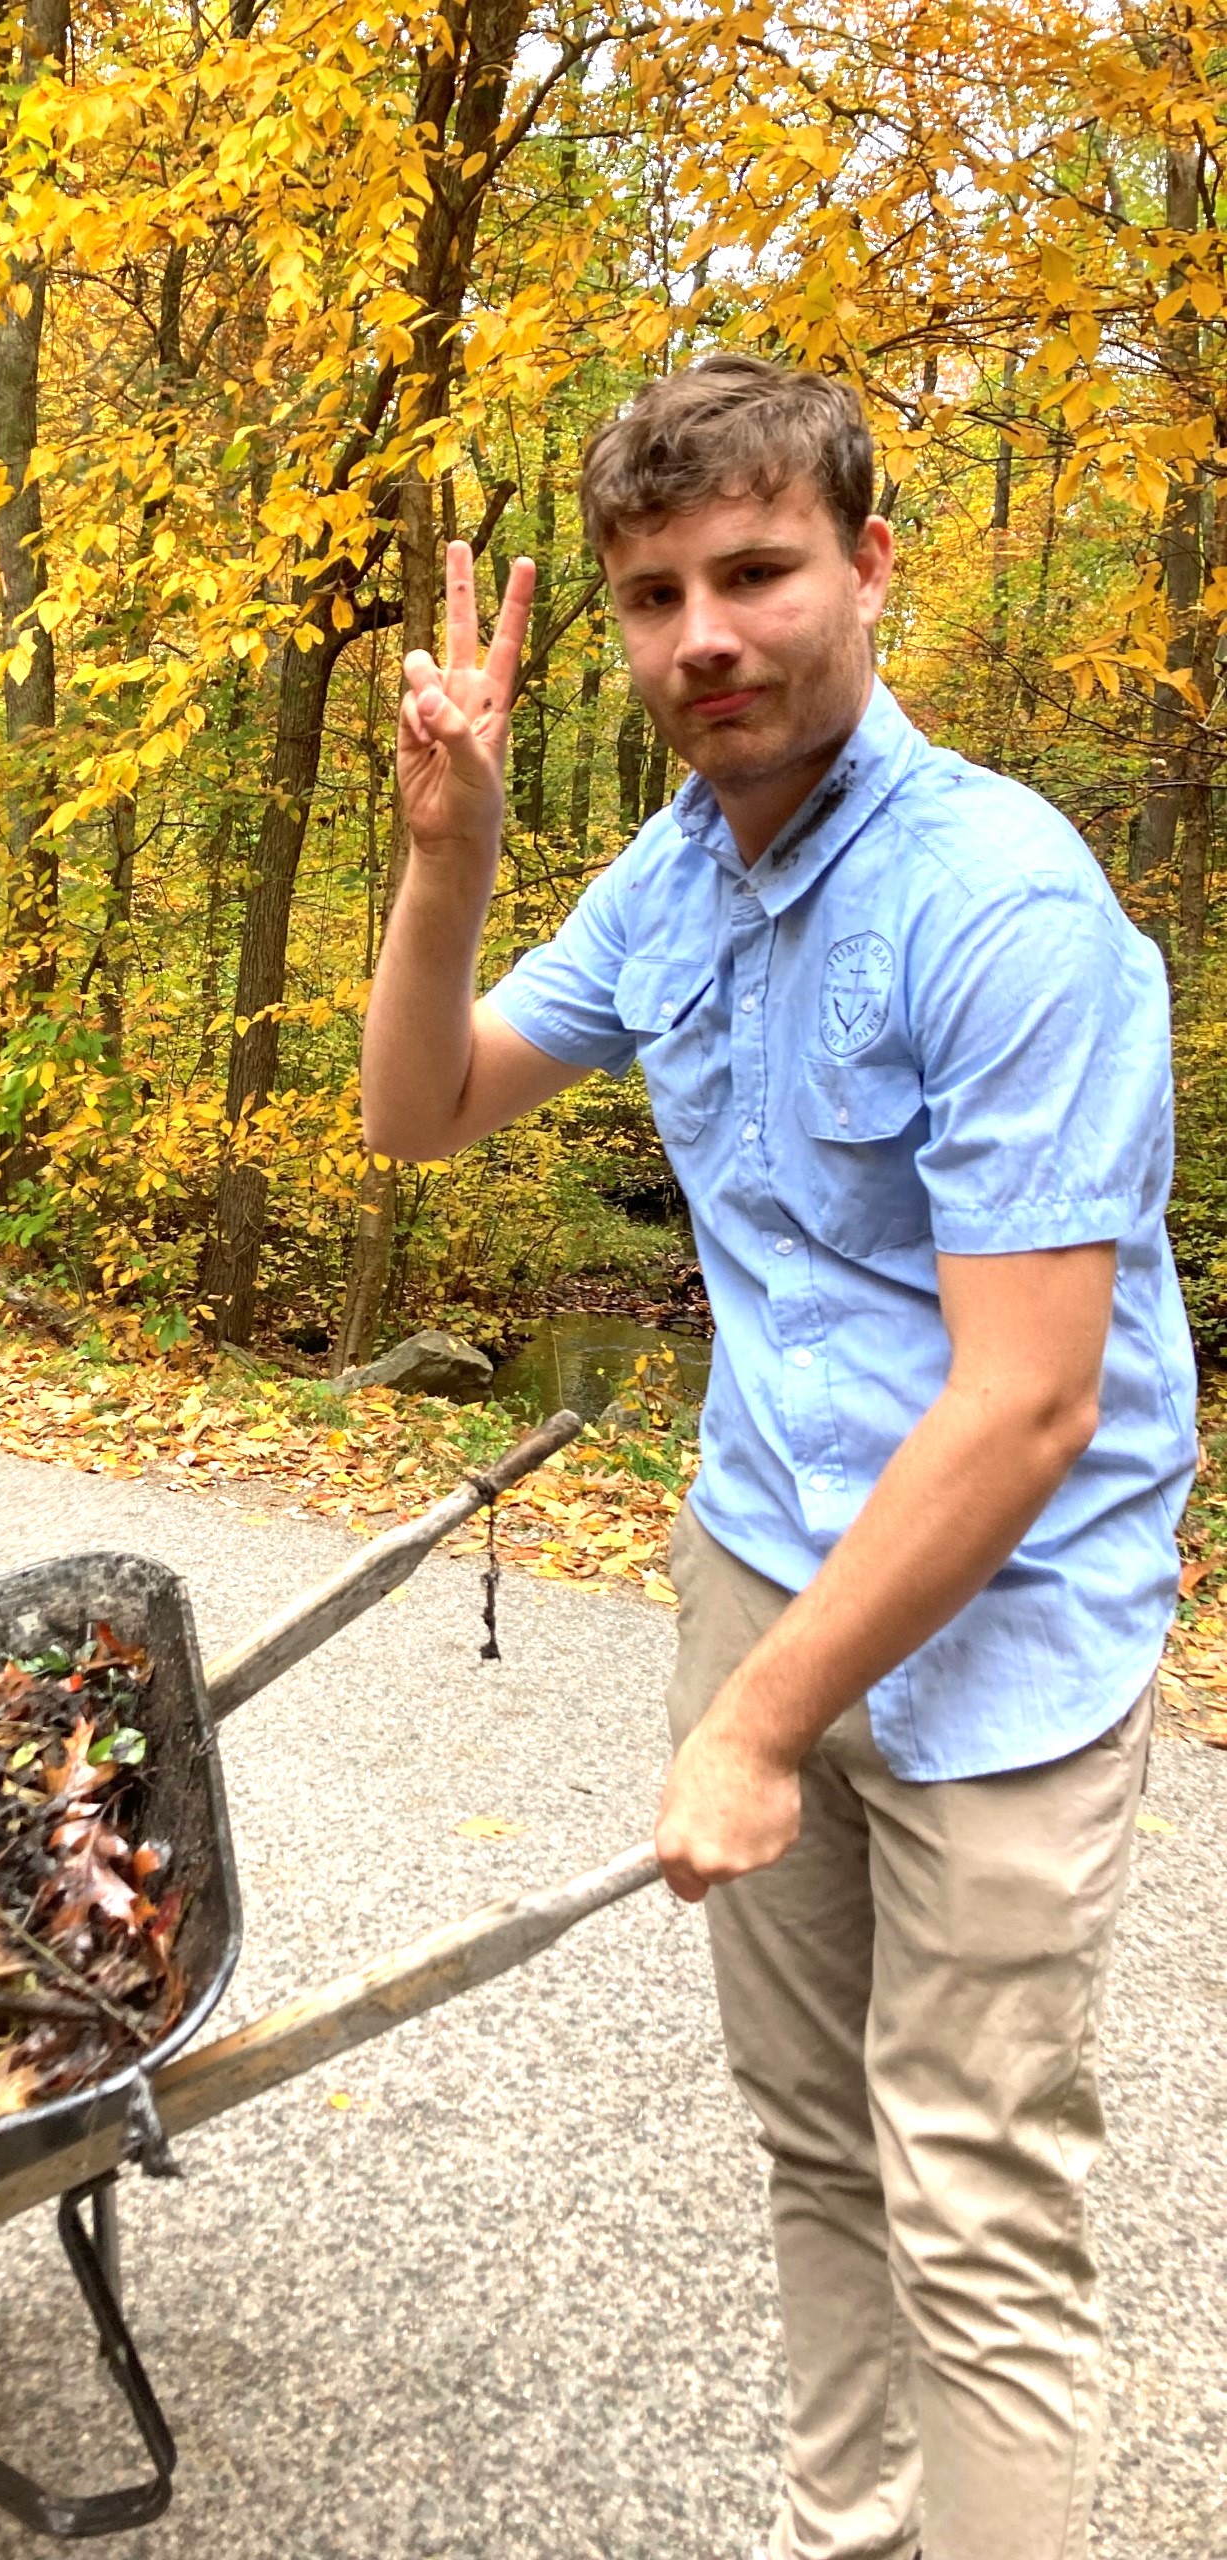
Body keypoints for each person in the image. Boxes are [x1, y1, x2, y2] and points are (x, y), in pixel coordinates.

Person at [359, 353, 1196, 2560]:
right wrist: (444, 862)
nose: (701, 634)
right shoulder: (670, 883)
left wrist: (755, 1712)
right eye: (655, 595)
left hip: (1006, 1624)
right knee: (816, 2139)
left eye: (754, 571)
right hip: (769, 1548)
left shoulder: (1002, 906)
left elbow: (1029, 1401)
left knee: (974, 2190)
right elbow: (419, 1105)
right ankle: (851, 2532)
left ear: (868, 567)